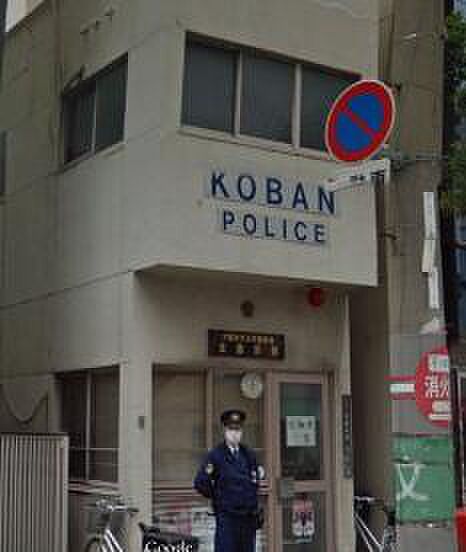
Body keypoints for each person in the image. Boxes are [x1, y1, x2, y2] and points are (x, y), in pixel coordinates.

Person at [193, 409, 265, 552]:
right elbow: (201, 482)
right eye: (231, 429)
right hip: (227, 518)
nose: (235, 433)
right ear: (224, 430)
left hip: (247, 519)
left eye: (238, 429)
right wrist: (218, 496)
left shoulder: (248, 454)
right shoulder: (216, 455)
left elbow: (254, 481)